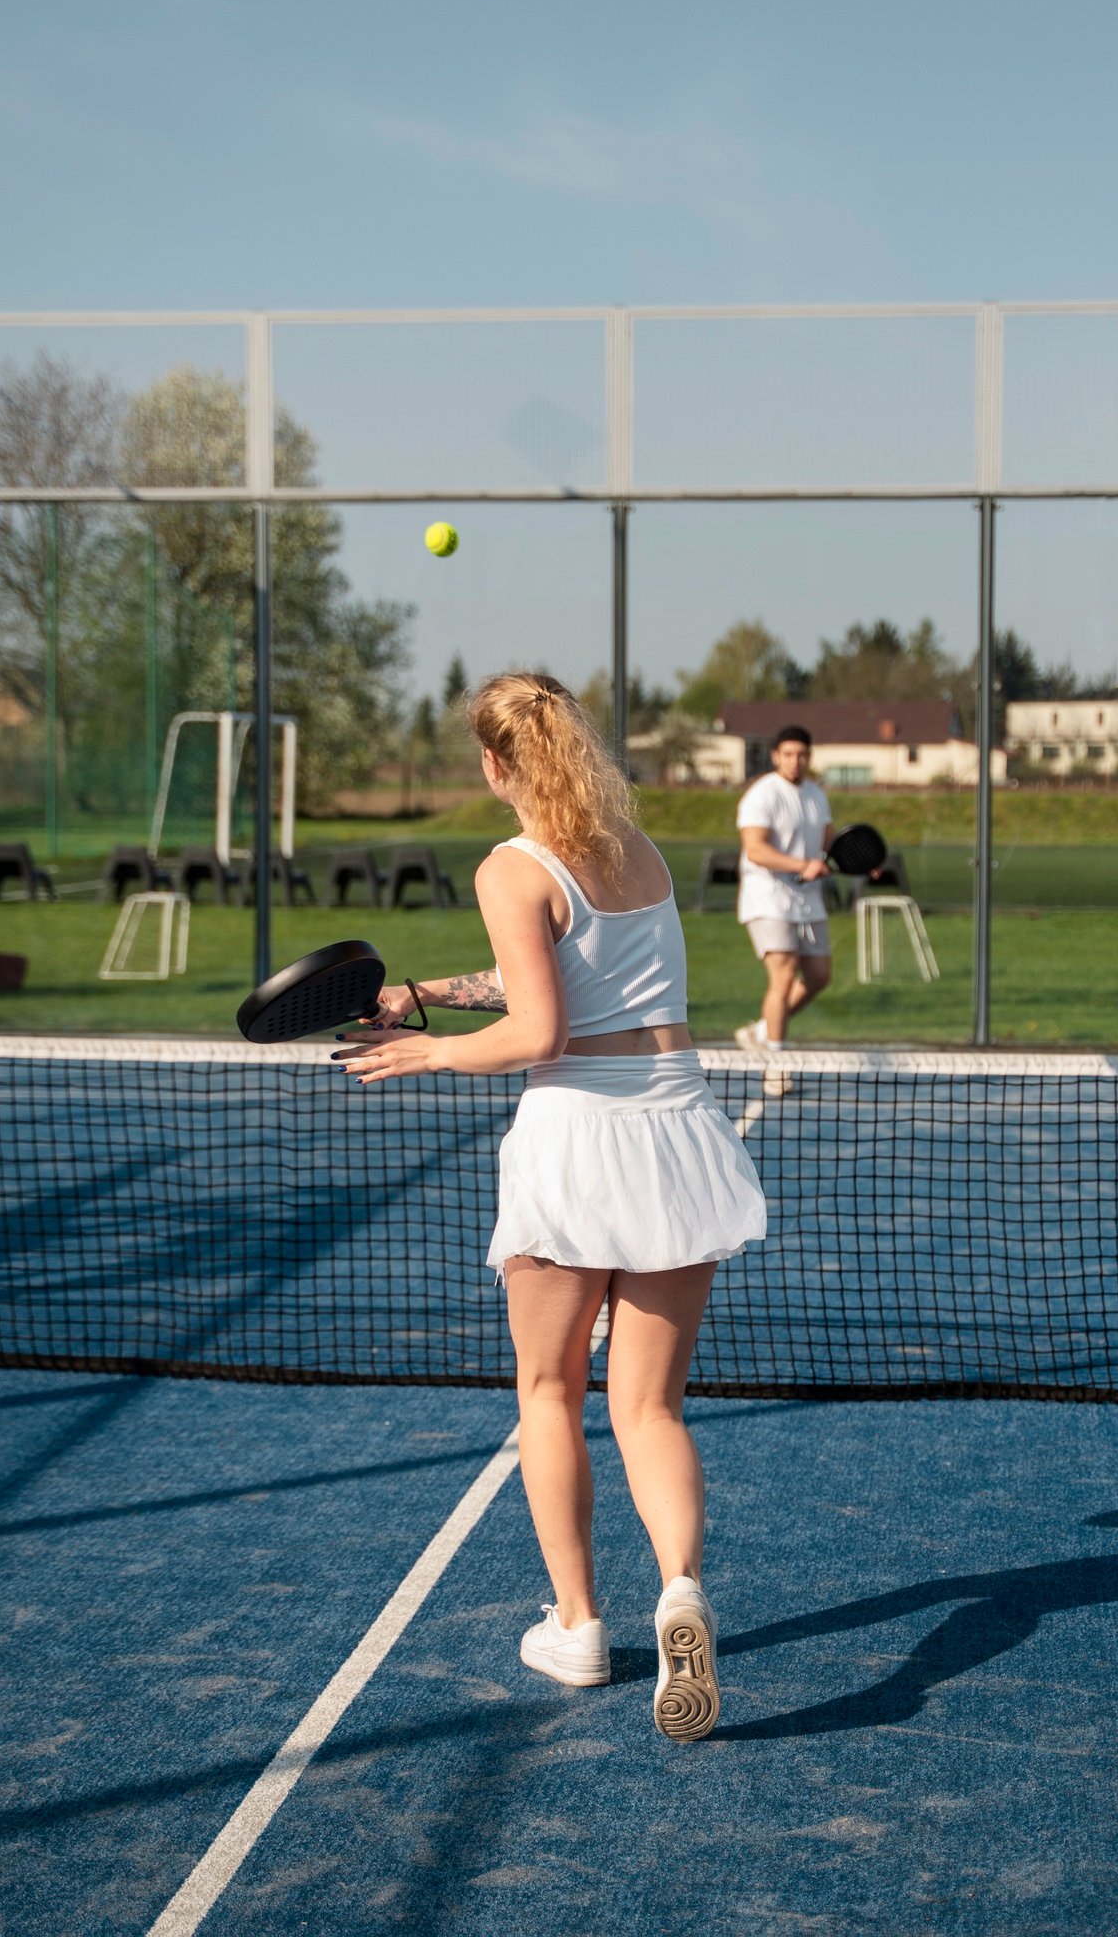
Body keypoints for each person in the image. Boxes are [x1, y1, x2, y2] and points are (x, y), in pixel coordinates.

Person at [334, 672, 767, 1743]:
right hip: (677, 1130)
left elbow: (539, 1031)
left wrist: (424, 1049)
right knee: (650, 1409)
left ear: (493, 764)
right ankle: (680, 1589)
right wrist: (428, 992)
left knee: (548, 1389)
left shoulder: (509, 866)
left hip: (576, 1139)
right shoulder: (638, 850)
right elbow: (558, 976)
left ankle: (576, 1626)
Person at [733, 725, 835, 1058]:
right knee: (785, 976)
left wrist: (862, 862)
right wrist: (801, 865)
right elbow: (755, 849)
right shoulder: (762, 795)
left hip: (808, 899)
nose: (795, 761)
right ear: (776, 756)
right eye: (788, 754)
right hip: (768, 897)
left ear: (809, 757)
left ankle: (763, 1031)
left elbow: (830, 841)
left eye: (802, 754)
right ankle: (776, 1064)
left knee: (819, 976)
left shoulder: (816, 795)